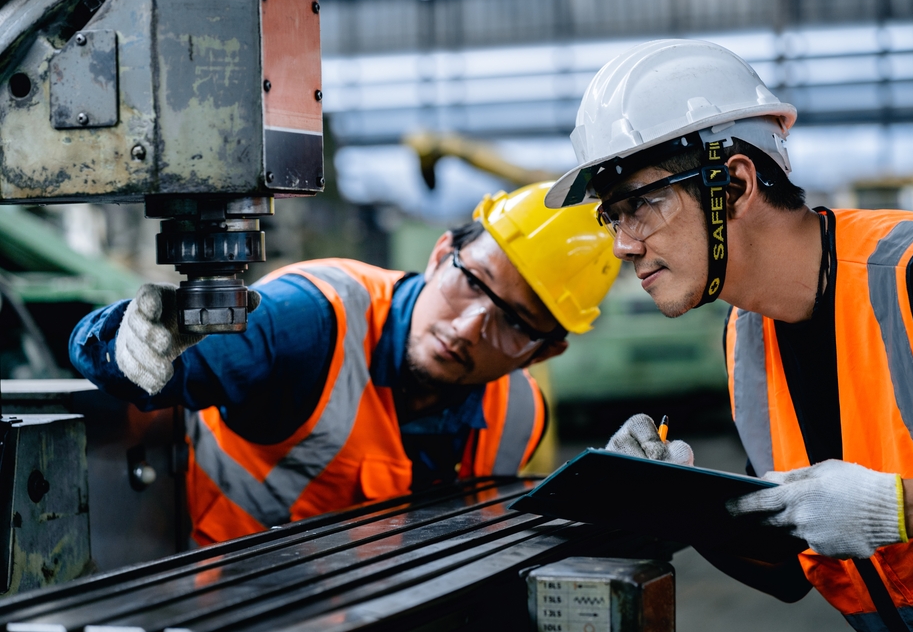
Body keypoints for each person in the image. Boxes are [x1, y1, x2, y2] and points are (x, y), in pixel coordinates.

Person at [545, 38, 913, 631]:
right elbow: (789, 570)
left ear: (734, 184)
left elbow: (871, 516)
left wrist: (899, 508)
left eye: (640, 206)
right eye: (613, 217)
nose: (622, 244)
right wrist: (669, 497)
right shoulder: (747, 336)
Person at [70, 182, 620, 545]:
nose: (469, 326)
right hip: (216, 598)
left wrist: (615, 505)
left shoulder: (519, 418)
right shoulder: (310, 322)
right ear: (439, 253)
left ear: (545, 351)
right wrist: (128, 340)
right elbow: (150, 357)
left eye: (515, 323)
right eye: (472, 282)